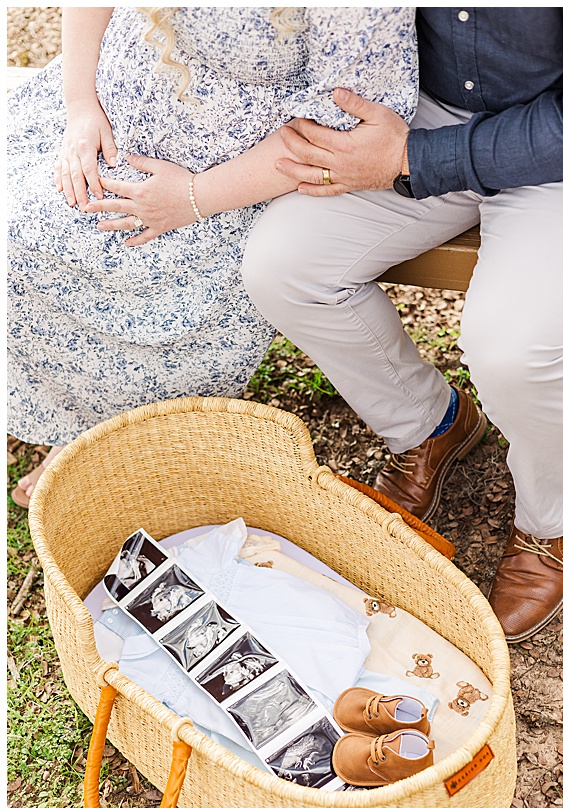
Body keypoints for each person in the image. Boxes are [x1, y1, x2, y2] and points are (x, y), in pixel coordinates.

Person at [240, 9, 563, 643]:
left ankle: (546, 521)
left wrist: (411, 156)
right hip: (422, 111)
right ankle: (431, 424)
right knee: (282, 266)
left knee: (513, 349)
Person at [7, 7, 419, 507]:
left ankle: (121, 432)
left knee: (129, 281)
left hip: (234, 181)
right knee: (16, 236)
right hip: (101, 113)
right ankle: (82, 420)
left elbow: (345, 126)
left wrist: (193, 198)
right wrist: (80, 107)